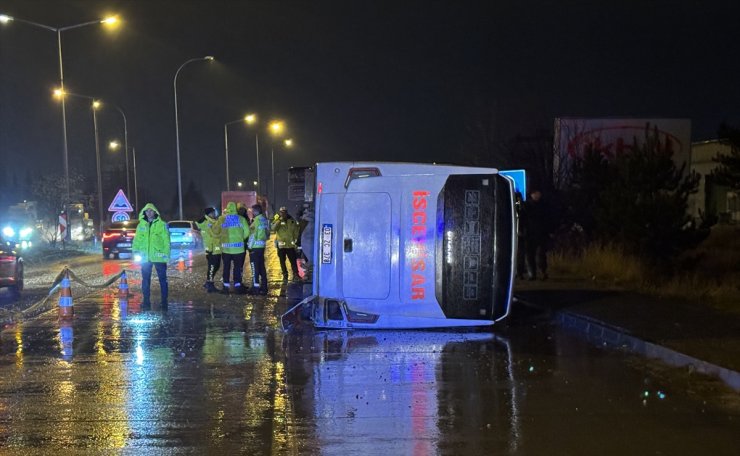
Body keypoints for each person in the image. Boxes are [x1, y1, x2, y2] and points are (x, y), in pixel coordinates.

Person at [132, 203, 170, 307]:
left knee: (162, 280)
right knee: (145, 280)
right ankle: (146, 301)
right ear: (144, 212)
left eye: (151, 211)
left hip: (159, 256)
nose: (149, 213)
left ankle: (164, 301)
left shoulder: (162, 225)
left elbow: (166, 241)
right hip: (145, 257)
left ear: (155, 212)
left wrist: (166, 255)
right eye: (147, 211)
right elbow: (137, 240)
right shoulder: (141, 225)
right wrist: (135, 250)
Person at [215, 201, 250, 294]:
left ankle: (225, 287)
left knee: (226, 267)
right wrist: (241, 238)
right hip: (239, 250)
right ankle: (237, 286)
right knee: (237, 268)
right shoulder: (241, 219)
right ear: (235, 208)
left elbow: (216, 231)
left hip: (226, 250)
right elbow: (247, 232)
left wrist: (222, 238)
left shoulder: (222, 219)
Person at [523, 189, 551, 280]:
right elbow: (521, 214)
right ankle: (532, 273)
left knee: (541, 253)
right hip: (529, 233)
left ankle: (543, 271)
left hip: (541, 233)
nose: (537, 195)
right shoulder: (526, 205)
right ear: (531, 194)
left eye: (538, 193)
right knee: (530, 254)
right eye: (535, 193)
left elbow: (548, 218)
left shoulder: (544, 205)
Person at [271, 206, 301, 281]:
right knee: (282, 261)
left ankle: (296, 274)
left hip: (290, 245)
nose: (283, 214)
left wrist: (296, 240)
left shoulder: (292, 221)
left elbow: (296, 231)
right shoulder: (277, 220)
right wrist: (279, 220)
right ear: (280, 213)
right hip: (281, 246)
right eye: (282, 212)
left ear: (287, 212)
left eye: (284, 212)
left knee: (293, 260)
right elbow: (273, 228)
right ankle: (285, 274)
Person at [195, 207, 221, 293]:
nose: (214, 214)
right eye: (213, 213)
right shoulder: (207, 223)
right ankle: (210, 284)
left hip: (216, 248)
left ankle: (208, 282)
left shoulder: (212, 221)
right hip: (211, 249)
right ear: (209, 214)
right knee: (212, 267)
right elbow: (212, 235)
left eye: (214, 213)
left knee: (215, 266)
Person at [248, 204, 269, 294]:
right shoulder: (264, 220)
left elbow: (253, 235)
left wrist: (249, 246)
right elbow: (268, 233)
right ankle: (264, 287)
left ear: (256, 211)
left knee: (254, 267)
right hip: (262, 246)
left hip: (255, 247)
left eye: (253, 211)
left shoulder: (256, 221)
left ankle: (255, 287)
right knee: (261, 267)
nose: (252, 213)